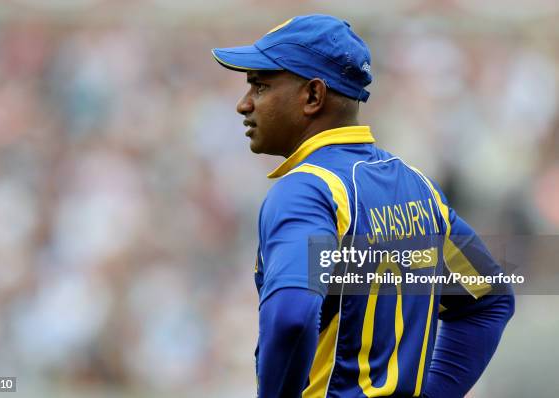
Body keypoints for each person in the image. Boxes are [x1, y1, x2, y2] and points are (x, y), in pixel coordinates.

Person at [212, 14, 515, 398]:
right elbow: (490, 300)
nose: (244, 104)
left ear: (313, 96)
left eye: (260, 86)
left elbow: (291, 316)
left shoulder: (307, 191)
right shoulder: (419, 188)